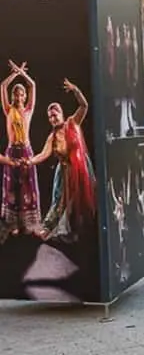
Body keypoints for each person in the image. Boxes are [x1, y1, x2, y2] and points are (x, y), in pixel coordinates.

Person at [29, 79, 96, 242]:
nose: (53, 118)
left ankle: (85, 230)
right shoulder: (52, 138)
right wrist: (27, 161)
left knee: (87, 199)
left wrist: (75, 90)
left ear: (61, 114)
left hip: (82, 168)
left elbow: (84, 106)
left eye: (55, 114)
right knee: (59, 200)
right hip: (65, 172)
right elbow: (42, 155)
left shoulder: (73, 123)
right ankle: (48, 228)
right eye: (50, 116)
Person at [1, 60, 41, 237]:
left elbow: (32, 84)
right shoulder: (8, 110)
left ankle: (29, 224)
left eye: (21, 94)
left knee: (27, 187)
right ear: (13, 96)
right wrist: (15, 74)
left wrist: (22, 72)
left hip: (26, 150)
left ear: (25, 96)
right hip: (12, 151)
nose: (19, 96)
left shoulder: (28, 111)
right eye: (16, 94)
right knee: (11, 188)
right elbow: (2, 86)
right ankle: (13, 224)